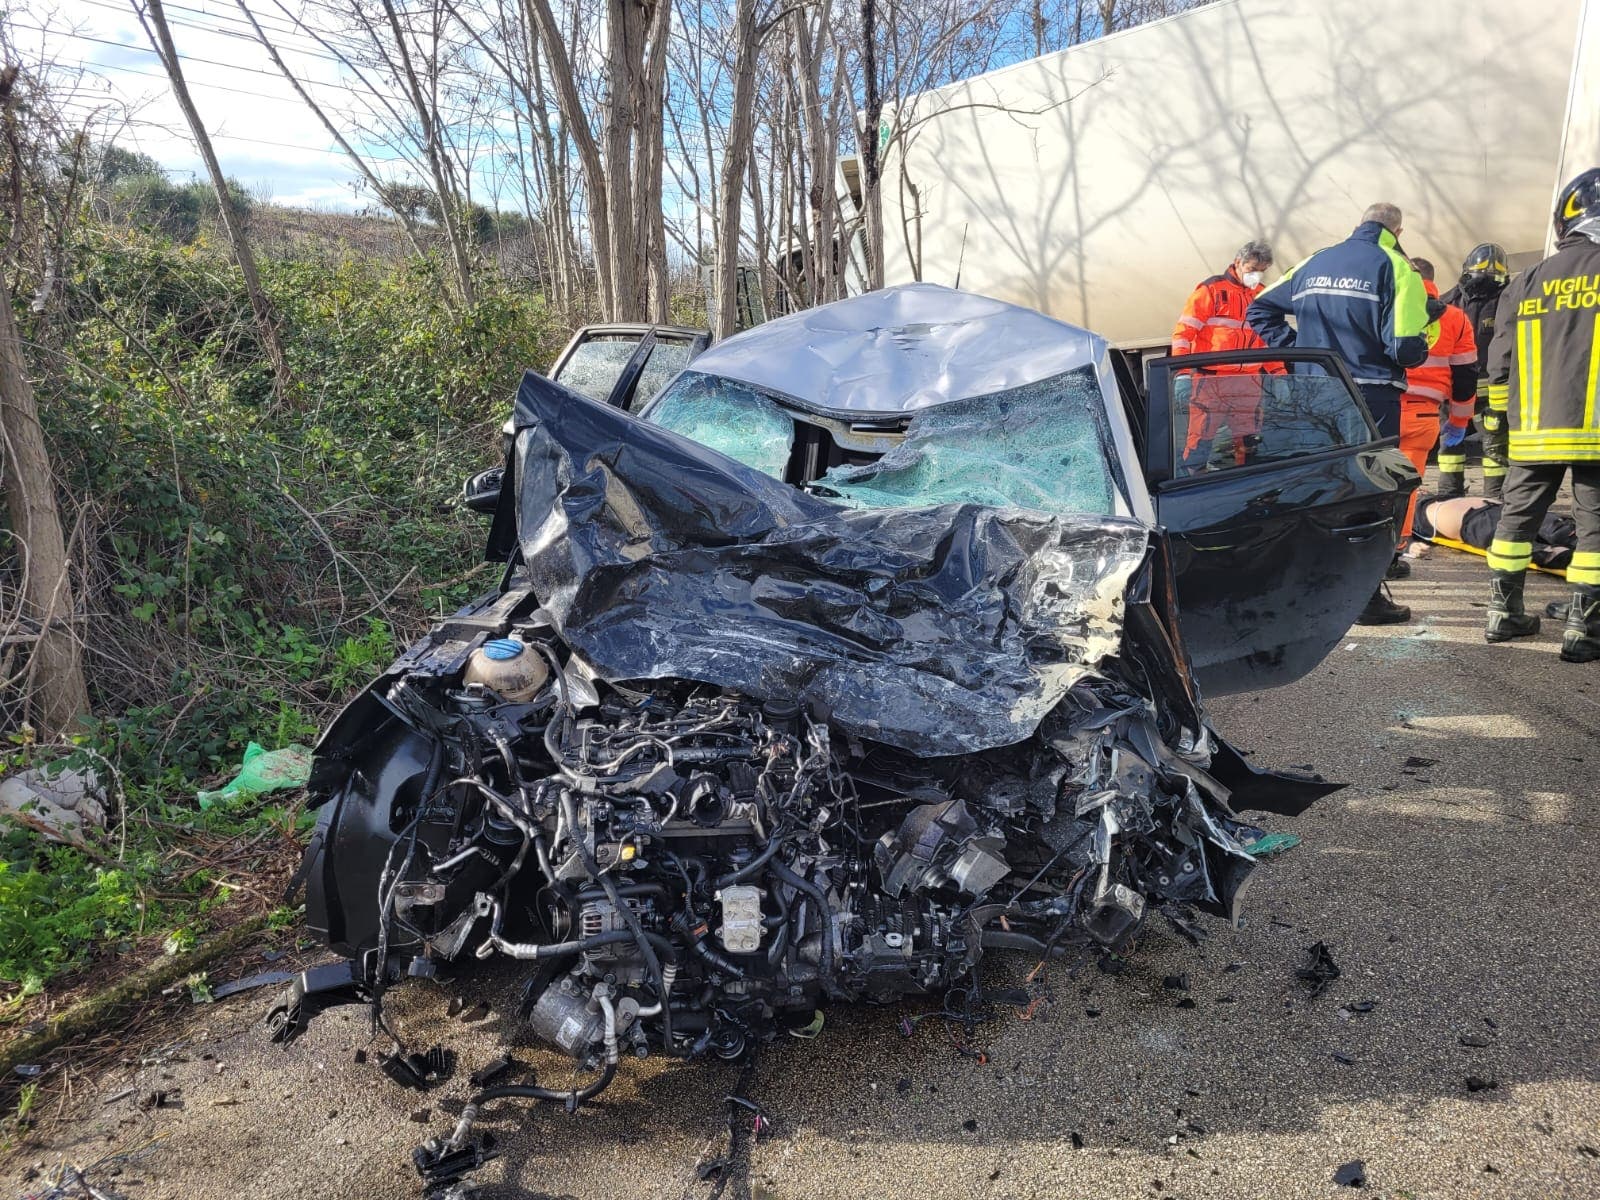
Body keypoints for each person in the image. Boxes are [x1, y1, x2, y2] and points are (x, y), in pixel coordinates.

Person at [1247, 202, 1432, 624]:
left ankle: (1308, 587)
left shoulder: (1318, 260)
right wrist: (1422, 339)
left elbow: (1259, 307)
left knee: (1321, 487)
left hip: (1316, 392)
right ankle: (1365, 596)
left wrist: (1300, 353)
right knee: (1373, 490)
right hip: (1371, 395)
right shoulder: (1397, 268)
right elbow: (1404, 347)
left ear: (1359, 223)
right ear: (1397, 232)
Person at [1481, 167, 1600, 660]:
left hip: (1531, 429)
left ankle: (1503, 615)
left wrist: (1502, 424)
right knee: (1595, 525)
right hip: (1595, 430)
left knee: (1516, 519)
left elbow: (1500, 360)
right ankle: (1584, 630)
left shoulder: (1528, 278)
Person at [1396, 258, 1477, 560]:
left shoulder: (1389, 308)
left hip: (1379, 410)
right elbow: (1466, 375)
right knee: (1407, 486)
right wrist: (1459, 420)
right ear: (1434, 281)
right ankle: (1399, 546)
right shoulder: (1455, 318)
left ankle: (1366, 546)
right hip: (1423, 416)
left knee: (1370, 482)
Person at [1170, 241, 1275, 471]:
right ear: (1238, 263)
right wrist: (1183, 372)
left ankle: (1246, 484)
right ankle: (1193, 483)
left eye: (1262, 271)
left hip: (1249, 381)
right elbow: (1183, 333)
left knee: (1249, 441)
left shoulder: (1261, 295)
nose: (1256, 276)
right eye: (1251, 270)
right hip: (1211, 380)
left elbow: (1267, 340)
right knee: (1201, 437)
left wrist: (1280, 375)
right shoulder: (1211, 291)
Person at [1438, 243, 1512, 498]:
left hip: (1490, 394)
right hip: (1456, 391)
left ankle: (1493, 500)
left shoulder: (1508, 300)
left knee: (1494, 449)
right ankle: (1449, 497)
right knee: (1451, 447)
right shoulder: (1448, 302)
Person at [1412, 492, 1573, 569]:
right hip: (1474, 522)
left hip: (1499, 509)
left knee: (1562, 530)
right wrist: (1409, 547)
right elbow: (1394, 536)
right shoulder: (1407, 512)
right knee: (1545, 552)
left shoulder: (1424, 496)